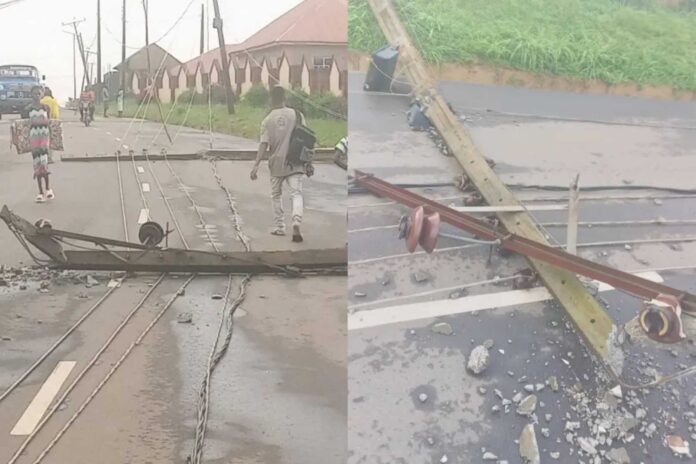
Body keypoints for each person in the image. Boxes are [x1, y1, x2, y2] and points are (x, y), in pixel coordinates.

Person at [250, 86, 312, 243]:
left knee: (276, 195)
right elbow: (307, 140)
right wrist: (309, 162)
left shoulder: (267, 120)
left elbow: (264, 144)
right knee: (296, 194)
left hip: (276, 163)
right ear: (285, 97)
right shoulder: (297, 115)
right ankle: (296, 222)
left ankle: (280, 227)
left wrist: (256, 165)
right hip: (295, 162)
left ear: (271, 99)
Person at [26, 86, 53, 202]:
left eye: (38, 93)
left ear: (42, 94)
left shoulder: (46, 107)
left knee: (43, 161)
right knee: (37, 164)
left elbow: (50, 122)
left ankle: (48, 188)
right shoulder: (28, 108)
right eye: (34, 94)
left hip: (44, 135)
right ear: (31, 95)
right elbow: (24, 124)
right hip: (34, 137)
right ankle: (40, 191)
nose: (36, 96)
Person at [40, 87, 60, 164]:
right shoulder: (53, 101)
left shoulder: (41, 101)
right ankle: (49, 157)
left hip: (42, 123)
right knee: (51, 140)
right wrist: (56, 120)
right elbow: (55, 113)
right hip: (52, 122)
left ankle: (43, 157)